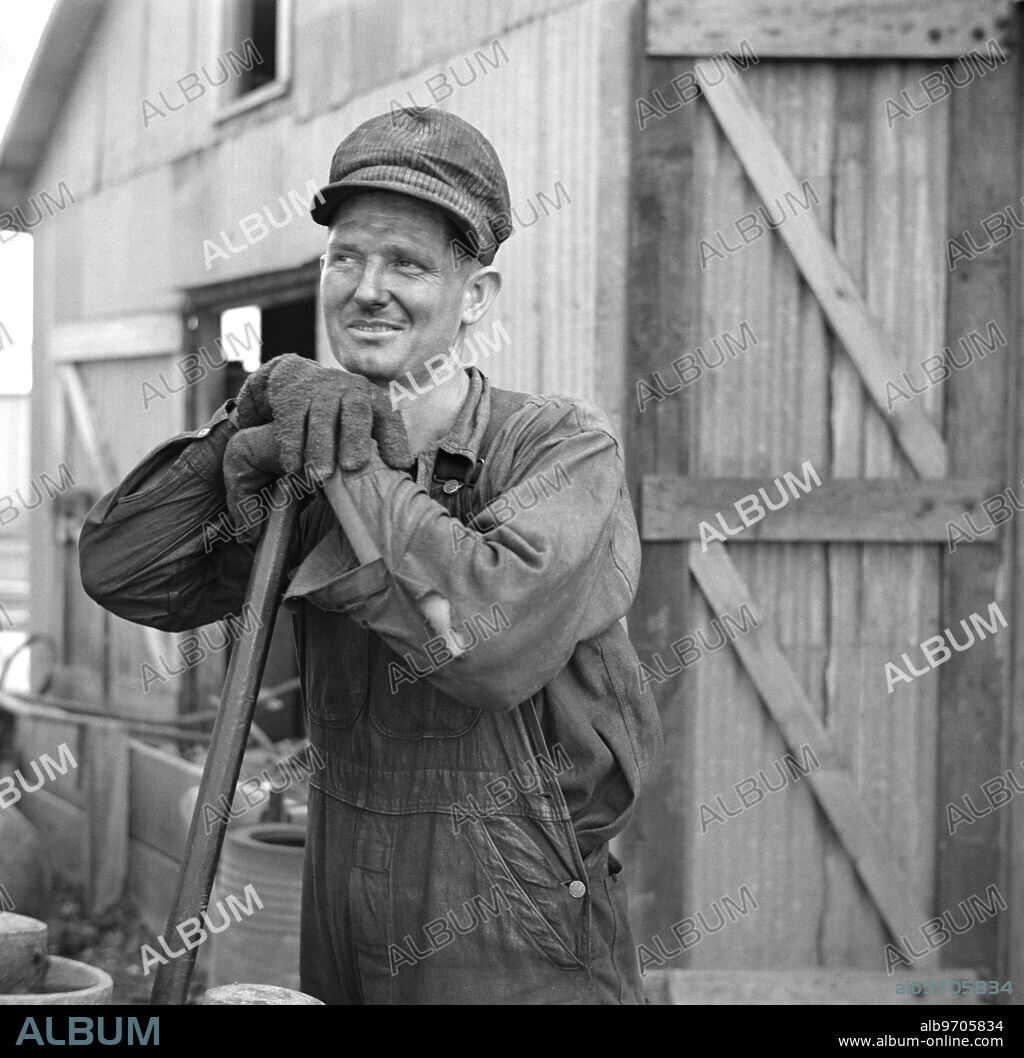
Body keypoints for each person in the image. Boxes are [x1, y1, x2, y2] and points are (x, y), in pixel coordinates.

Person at [79, 107, 662, 1005]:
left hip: (515, 917)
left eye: (409, 264)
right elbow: (123, 570)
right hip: (343, 890)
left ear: (477, 297)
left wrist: (346, 455)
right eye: (346, 256)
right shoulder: (295, 442)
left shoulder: (561, 450)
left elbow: (486, 642)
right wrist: (253, 416)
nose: (367, 287)